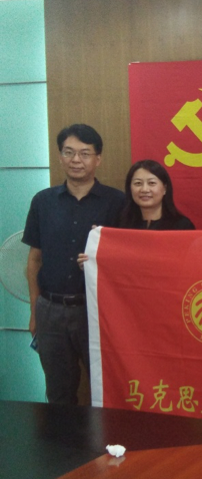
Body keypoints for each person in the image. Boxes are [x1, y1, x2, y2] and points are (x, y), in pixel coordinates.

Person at [23, 124, 125, 404]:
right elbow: (34, 259)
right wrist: (34, 311)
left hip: (97, 311)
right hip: (50, 310)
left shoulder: (117, 202)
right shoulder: (43, 201)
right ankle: (62, 436)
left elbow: (127, 261)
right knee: (58, 393)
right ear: (60, 157)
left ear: (98, 159)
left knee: (106, 391)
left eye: (84, 153)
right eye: (68, 152)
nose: (76, 160)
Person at [119, 159, 195, 230]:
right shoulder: (123, 224)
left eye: (151, 183)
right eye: (138, 183)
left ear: (165, 189)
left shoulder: (182, 226)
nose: (144, 189)